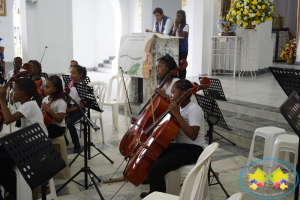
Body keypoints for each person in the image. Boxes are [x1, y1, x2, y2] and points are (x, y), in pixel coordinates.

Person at [140, 79, 205, 198]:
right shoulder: (179, 107)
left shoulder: (193, 109)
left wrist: (177, 115)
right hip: (182, 146)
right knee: (153, 154)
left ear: (183, 93)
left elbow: (193, 135)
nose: (170, 95)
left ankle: (159, 197)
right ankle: (154, 192)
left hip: (194, 150)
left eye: (173, 93)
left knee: (156, 168)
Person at [0, 78, 48, 200]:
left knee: (1, 162)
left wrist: (2, 100)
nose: (11, 93)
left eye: (13, 90)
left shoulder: (28, 106)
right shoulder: (29, 104)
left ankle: (14, 190)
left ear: (21, 93)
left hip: (35, 147)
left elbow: (8, 119)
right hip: (31, 143)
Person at [66, 65, 86, 153]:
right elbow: (69, 98)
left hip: (78, 109)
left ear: (80, 75)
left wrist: (69, 110)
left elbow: (81, 105)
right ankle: (64, 140)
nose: (71, 75)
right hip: (70, 107)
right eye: (71, 73)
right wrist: (65, 107)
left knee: (70, 123)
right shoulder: (71, 85)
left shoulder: (82, 87)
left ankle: (76, 144)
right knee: (57, 119)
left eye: (74, 73)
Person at [42, 75, 67, 139]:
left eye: (47, 87)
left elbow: (59, 120)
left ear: (55, 88)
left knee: (41, 135)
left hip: (58, 128)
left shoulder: (61, 102)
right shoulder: (45, 99)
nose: (44, 89)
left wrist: (48, 110)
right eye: (44, 86)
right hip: (48, 125)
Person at [171, 10, 189, 79]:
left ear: (183, 17)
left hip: (183, 49)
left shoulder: (186, 26)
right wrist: (175, 29)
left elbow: (182, 36)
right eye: (177, 16)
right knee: (175, 65)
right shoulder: (176, 26)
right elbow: (172, 36)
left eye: (180, 16)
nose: (178, 18)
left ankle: (182, 79)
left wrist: (178, 28)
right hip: (175, 49)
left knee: (182, 66)